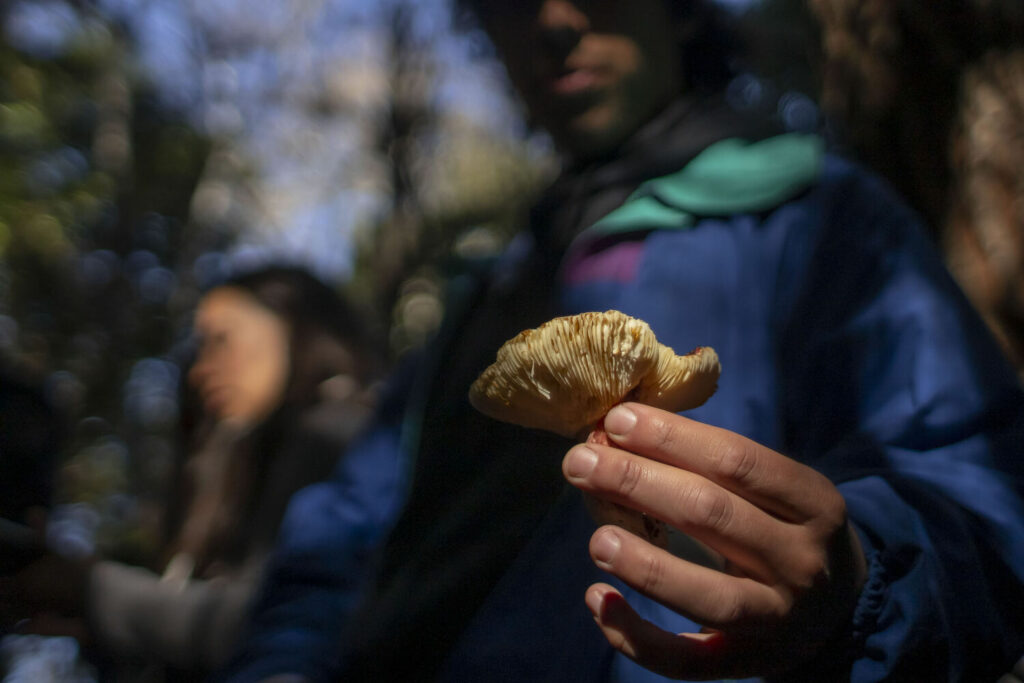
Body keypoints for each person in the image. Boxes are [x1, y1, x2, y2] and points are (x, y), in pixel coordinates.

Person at [223, 1, 1024, 681]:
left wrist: (860, 578)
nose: (555, 21)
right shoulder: (477, 295)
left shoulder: (819, 218)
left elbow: (983, 492)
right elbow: (336, 538)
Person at [0, 265, 386, 682]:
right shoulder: (240, 463)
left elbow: (280, 626)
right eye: (199, 349)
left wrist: (96, 592)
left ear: (297, 329)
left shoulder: (337, 436)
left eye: (222, 341)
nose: (202, 370)